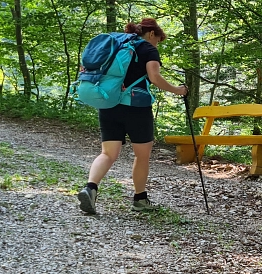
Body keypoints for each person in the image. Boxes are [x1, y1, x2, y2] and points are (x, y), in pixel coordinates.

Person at [77, 18, 187, 214]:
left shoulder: (118, 42)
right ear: (152, 33)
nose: (157, 44)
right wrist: (178, 90)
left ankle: (90, 188)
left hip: (108, 102)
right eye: (158, 40)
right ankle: (139, 199)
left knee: (108, 154)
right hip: (137, 106)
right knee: (142, 156)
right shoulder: (148, 49)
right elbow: (154, 77)